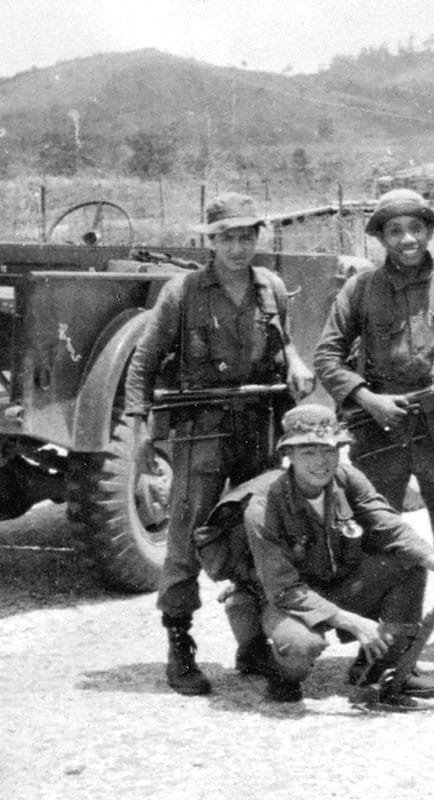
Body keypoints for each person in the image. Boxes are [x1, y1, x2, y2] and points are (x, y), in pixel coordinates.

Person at [124, 192, 315, 696]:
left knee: (258, 533)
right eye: (228, 238)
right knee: (187, 537)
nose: (238, 247)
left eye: (246, 237)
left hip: (258, 428)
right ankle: (180, 647)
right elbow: (144, 361)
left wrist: (296, 362)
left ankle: (253, 644)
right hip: (202, 431)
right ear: (212, 241)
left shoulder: (270, 287)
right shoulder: (183, 292)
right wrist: (139, 428)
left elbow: (284, 344)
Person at [313, 188, 434, 683]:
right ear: (381, 238)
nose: (407, 239)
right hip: (381, 430)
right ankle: (378, 650)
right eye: (395, 231)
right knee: (380, 540)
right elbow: (326, 358)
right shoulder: (359, 289)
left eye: (416, 228)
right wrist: (368, 399)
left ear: (429, 232)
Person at [239, 404, 434, 702]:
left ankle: (382, 666)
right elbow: (284, 590)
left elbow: (390, 525)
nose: (321, 462)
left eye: (329, 450)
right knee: (300, 646)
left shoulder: (346, 478)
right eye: (309, 452)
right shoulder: (263, 507)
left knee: (408, 562)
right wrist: (354, 623)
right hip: (288, 600)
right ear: (288, 454)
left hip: (337, 584)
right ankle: (277, 670)